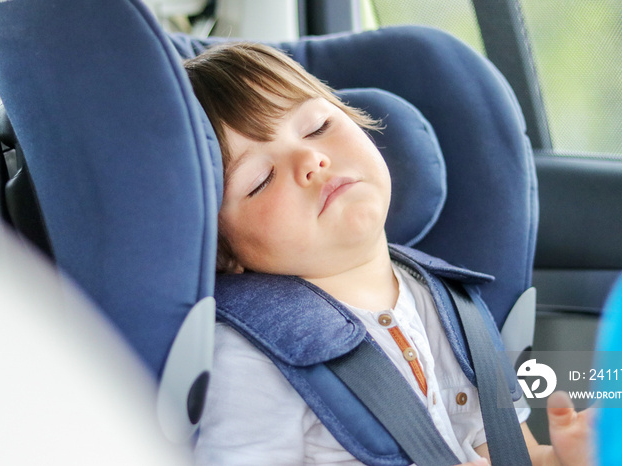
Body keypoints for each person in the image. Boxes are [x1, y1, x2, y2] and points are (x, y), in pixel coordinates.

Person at [184, 42, 592, 466]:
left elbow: (509, 450)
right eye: (260, 179)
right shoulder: (246, 358)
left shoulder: (452, 304)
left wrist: (561, 458)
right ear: (222, 251)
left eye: (318, 126)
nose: (311, 159)